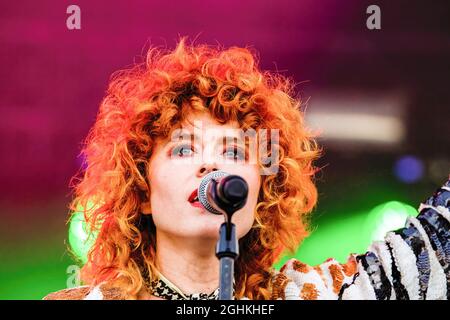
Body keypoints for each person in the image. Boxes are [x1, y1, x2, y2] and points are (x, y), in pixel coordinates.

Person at [44, 38, 450, 300]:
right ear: (143, 192)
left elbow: (432, 245)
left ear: (261, 195)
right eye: (184, 149)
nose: (211, 163)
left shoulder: (311, 294)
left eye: (235, 153)